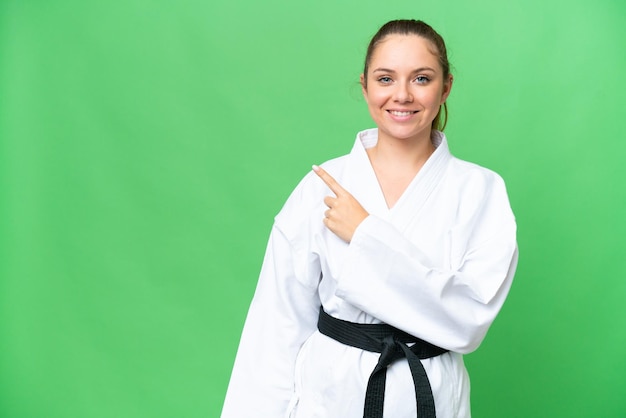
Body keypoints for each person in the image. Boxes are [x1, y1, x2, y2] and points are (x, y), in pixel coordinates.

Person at [221, 19, 518, 418]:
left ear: (445, 87)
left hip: (428, 392)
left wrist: (364, 235)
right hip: (331, 396)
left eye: (421, 78)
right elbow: (276, 325)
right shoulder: (323, 187)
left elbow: (467, 320)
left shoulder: (480, 190)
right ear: (365, 86)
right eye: (385, 79)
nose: (402, 95)